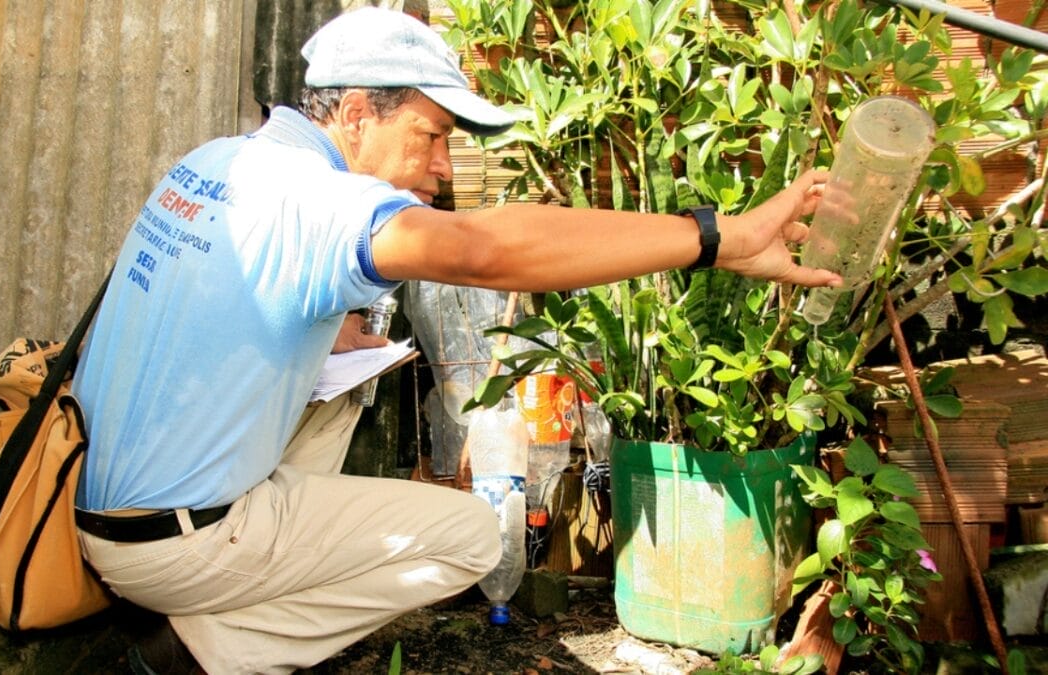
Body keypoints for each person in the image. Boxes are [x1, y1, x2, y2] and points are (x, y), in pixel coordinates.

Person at [72, 7, 842, 674]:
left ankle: (205, 598)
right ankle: (198, 651)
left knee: (343, 384)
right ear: (357, 114)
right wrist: (720, 238)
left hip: (102, 516)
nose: (442, 167)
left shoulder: (219, 161)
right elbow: (484, 250)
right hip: (177, 548)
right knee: (471, 538)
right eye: (431, 135)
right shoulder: (322, 203)